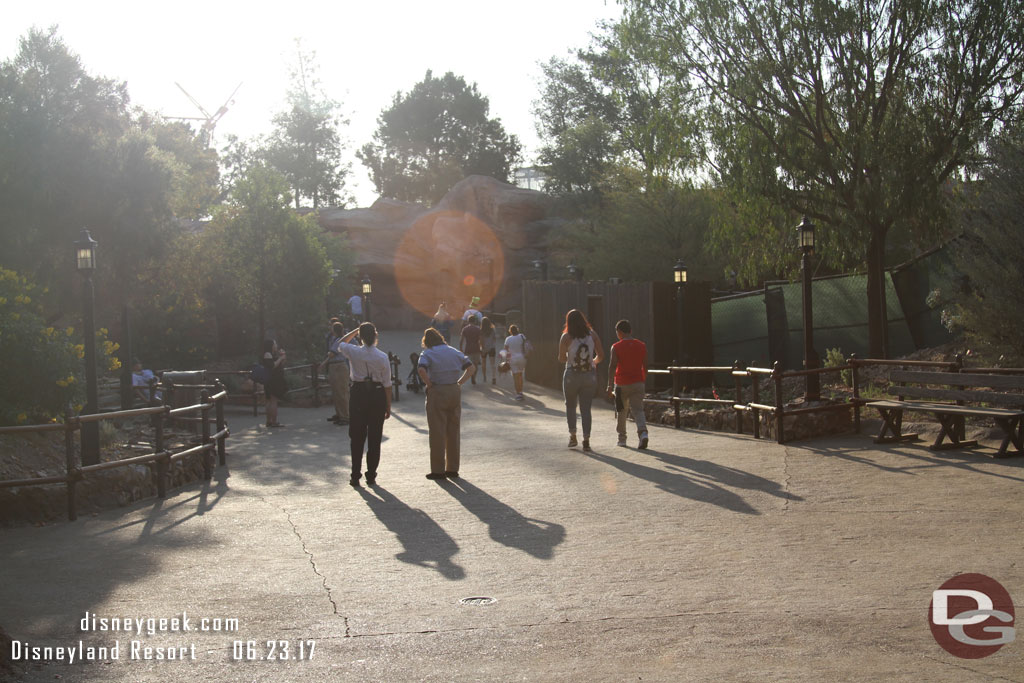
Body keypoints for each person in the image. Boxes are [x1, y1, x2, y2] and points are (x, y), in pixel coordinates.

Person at [332, 322, 392, 487]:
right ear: (376, 336)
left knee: (357, 436)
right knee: (374, 437)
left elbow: (339, 343)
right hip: (377, 394)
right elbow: (387, 384)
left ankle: (355, 475)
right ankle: (371, 474)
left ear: (360, 336)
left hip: (358, 393)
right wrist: (388, 406)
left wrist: (354, 331)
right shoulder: (382, 356)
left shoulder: (354, 351)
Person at [417, 327, 475, 480]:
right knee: (453, 430)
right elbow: (471, 368)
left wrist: (429, 384)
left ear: (427, 341)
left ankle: (438, 470)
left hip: (438, 390)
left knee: (437, 431)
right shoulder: (454, 351)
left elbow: (421, 369)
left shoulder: (427, 353)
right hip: (454, 390)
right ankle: (452, 468)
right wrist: (459, 382)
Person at [558, 309, 604, 451]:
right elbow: (601, 355)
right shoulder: (593, 335)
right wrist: (592, 362)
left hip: (572, 374)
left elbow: (561, 358)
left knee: (571, 406)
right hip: (588, 374)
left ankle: (573, 435)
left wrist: (570, 357)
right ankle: (586, 439)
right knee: (586, 408)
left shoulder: (566, 337)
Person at [606, 319, 649, 449]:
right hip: (638, 382)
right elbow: (645, 364)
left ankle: (622, 439)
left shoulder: (616, 347)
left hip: (621, 384)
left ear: (619, 332)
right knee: (638, 409)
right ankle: (643, 433)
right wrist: (643, 378)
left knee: (621, 411)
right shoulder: (641, 345)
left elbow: (612, 366)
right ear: (631, 331)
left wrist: (609, 385)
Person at [321, 320, 351, 425]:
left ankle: (346, 416)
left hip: (339, 365)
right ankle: (340, 414)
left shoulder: (340, 340)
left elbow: (332, 354)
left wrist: (323, 363)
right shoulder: (333, 338)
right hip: (334, 366)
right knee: (336, 392)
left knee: (341, 392)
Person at [262, 339, 288, 428]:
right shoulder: (267, 354)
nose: (276, 345)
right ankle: (273, 421)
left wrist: (282, 356)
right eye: (275, 343)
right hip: (273, 380)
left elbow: (281, 364)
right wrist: (280, 358)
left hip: (273, 379)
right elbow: (272, 366)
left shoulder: (272, 354)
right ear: (271, 345)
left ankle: (269, 421)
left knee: (270, 400)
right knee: (273, 401)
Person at [503, 324, 530, 401]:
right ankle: (521, 392)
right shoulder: (522, 336)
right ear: (517, 329)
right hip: (522, 358)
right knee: (520, 375)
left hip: (512, 359)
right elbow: (526, 345)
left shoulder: (508, 339)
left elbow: (506, 351)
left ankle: (518, 394)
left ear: (510, 331)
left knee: (515, 377)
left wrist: (506, 360)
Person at [459, 315, 483, 385]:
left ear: (468, 321)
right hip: (476, 348)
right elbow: (481, 340)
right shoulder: (478, 329)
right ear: (475, 321)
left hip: (468, 348)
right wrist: (481, 348)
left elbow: (461, 340)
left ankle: (470, 375)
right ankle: (474, 377)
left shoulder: (465, 329)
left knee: (469, 365)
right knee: (475, 365)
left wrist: (461, 349)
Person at [479, 317, 497, 384]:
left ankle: (484, 377)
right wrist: (492, 344)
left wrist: (482, 348)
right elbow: (494, 339)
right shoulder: (492, 330)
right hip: (492, 348)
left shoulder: (481, 331)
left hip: (484, 349)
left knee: (484, 363)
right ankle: (494, 377)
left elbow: (481, 341)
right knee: (493, 364)